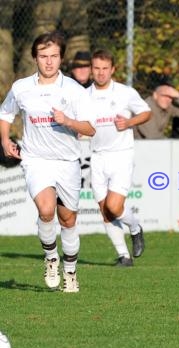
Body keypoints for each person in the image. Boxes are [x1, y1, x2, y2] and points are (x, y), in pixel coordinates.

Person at [0, 31, 96, 293]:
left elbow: (90, 129)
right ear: (35, 57)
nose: (49, 62)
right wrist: (5, 139)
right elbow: (5, 114)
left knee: (68, 220)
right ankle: (51, 257)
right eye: (44, 56)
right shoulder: (22, 88)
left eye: (54, 56)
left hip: (67, 162)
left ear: (61, 58)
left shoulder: (74, 90)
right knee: (45, 210)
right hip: (35, 159)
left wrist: (68, 122)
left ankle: (71, 271)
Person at [88, 49, 151, 267]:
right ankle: (124, 256)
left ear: (113, 69)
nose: (101, 73)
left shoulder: (125, 92)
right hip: (96, 158)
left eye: (105, 68)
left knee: (114, 207)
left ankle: (135, 227)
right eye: (97, 68)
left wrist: (128, 123)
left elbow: (146, 112)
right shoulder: (84, 96)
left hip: (121, 155)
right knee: (105, 211)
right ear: (91, 70)